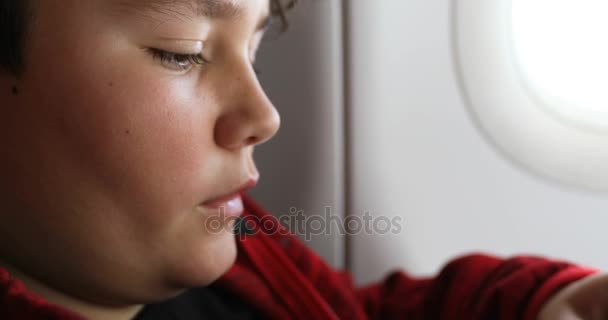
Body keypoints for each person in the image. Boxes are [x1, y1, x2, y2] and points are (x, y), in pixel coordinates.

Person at [0, 0, 607, 319]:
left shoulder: (249, 262)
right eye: (180, 53)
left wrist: (545, 304)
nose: (264, 116)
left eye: (255, 55)